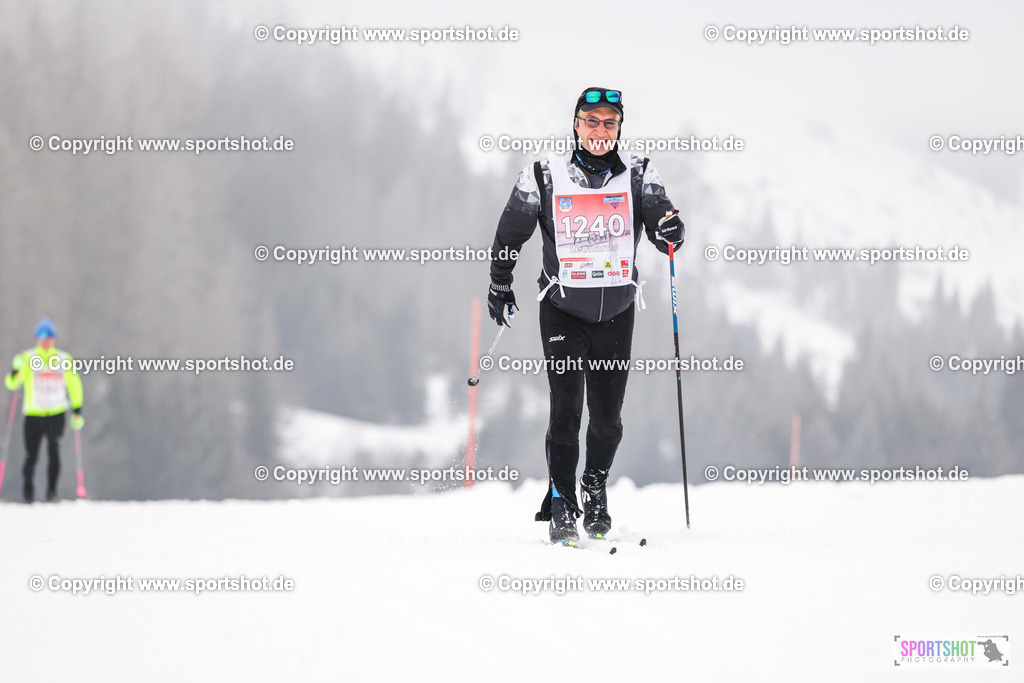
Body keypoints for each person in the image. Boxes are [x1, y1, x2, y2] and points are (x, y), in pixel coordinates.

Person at [487, 87, 684, 544]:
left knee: (608, 421)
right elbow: (509, 233)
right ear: (575, 124)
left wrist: (672, 229)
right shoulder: (543, 174)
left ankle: (594, 488)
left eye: (609, 123)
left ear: (619, 129)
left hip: (616, 312)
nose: (600, 131)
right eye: (590, 121)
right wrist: (501, 283)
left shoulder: (638, 173)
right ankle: (561, 500)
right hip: (562, 312)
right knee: (566, 412)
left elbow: (662, 224)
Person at [4, 317, 84, 503]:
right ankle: (28, 491)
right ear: (36, 338)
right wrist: (15, 368)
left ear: (54, 338)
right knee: (31, 455)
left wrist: (77, 410)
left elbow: (74, 385)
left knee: (54, 452)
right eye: (41, 335)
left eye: (49, 336)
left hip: (56, 413)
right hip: (33, 414)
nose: (46, 340)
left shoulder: (64, 359)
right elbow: (12, 384)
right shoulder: (28, 358)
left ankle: (52, 492)